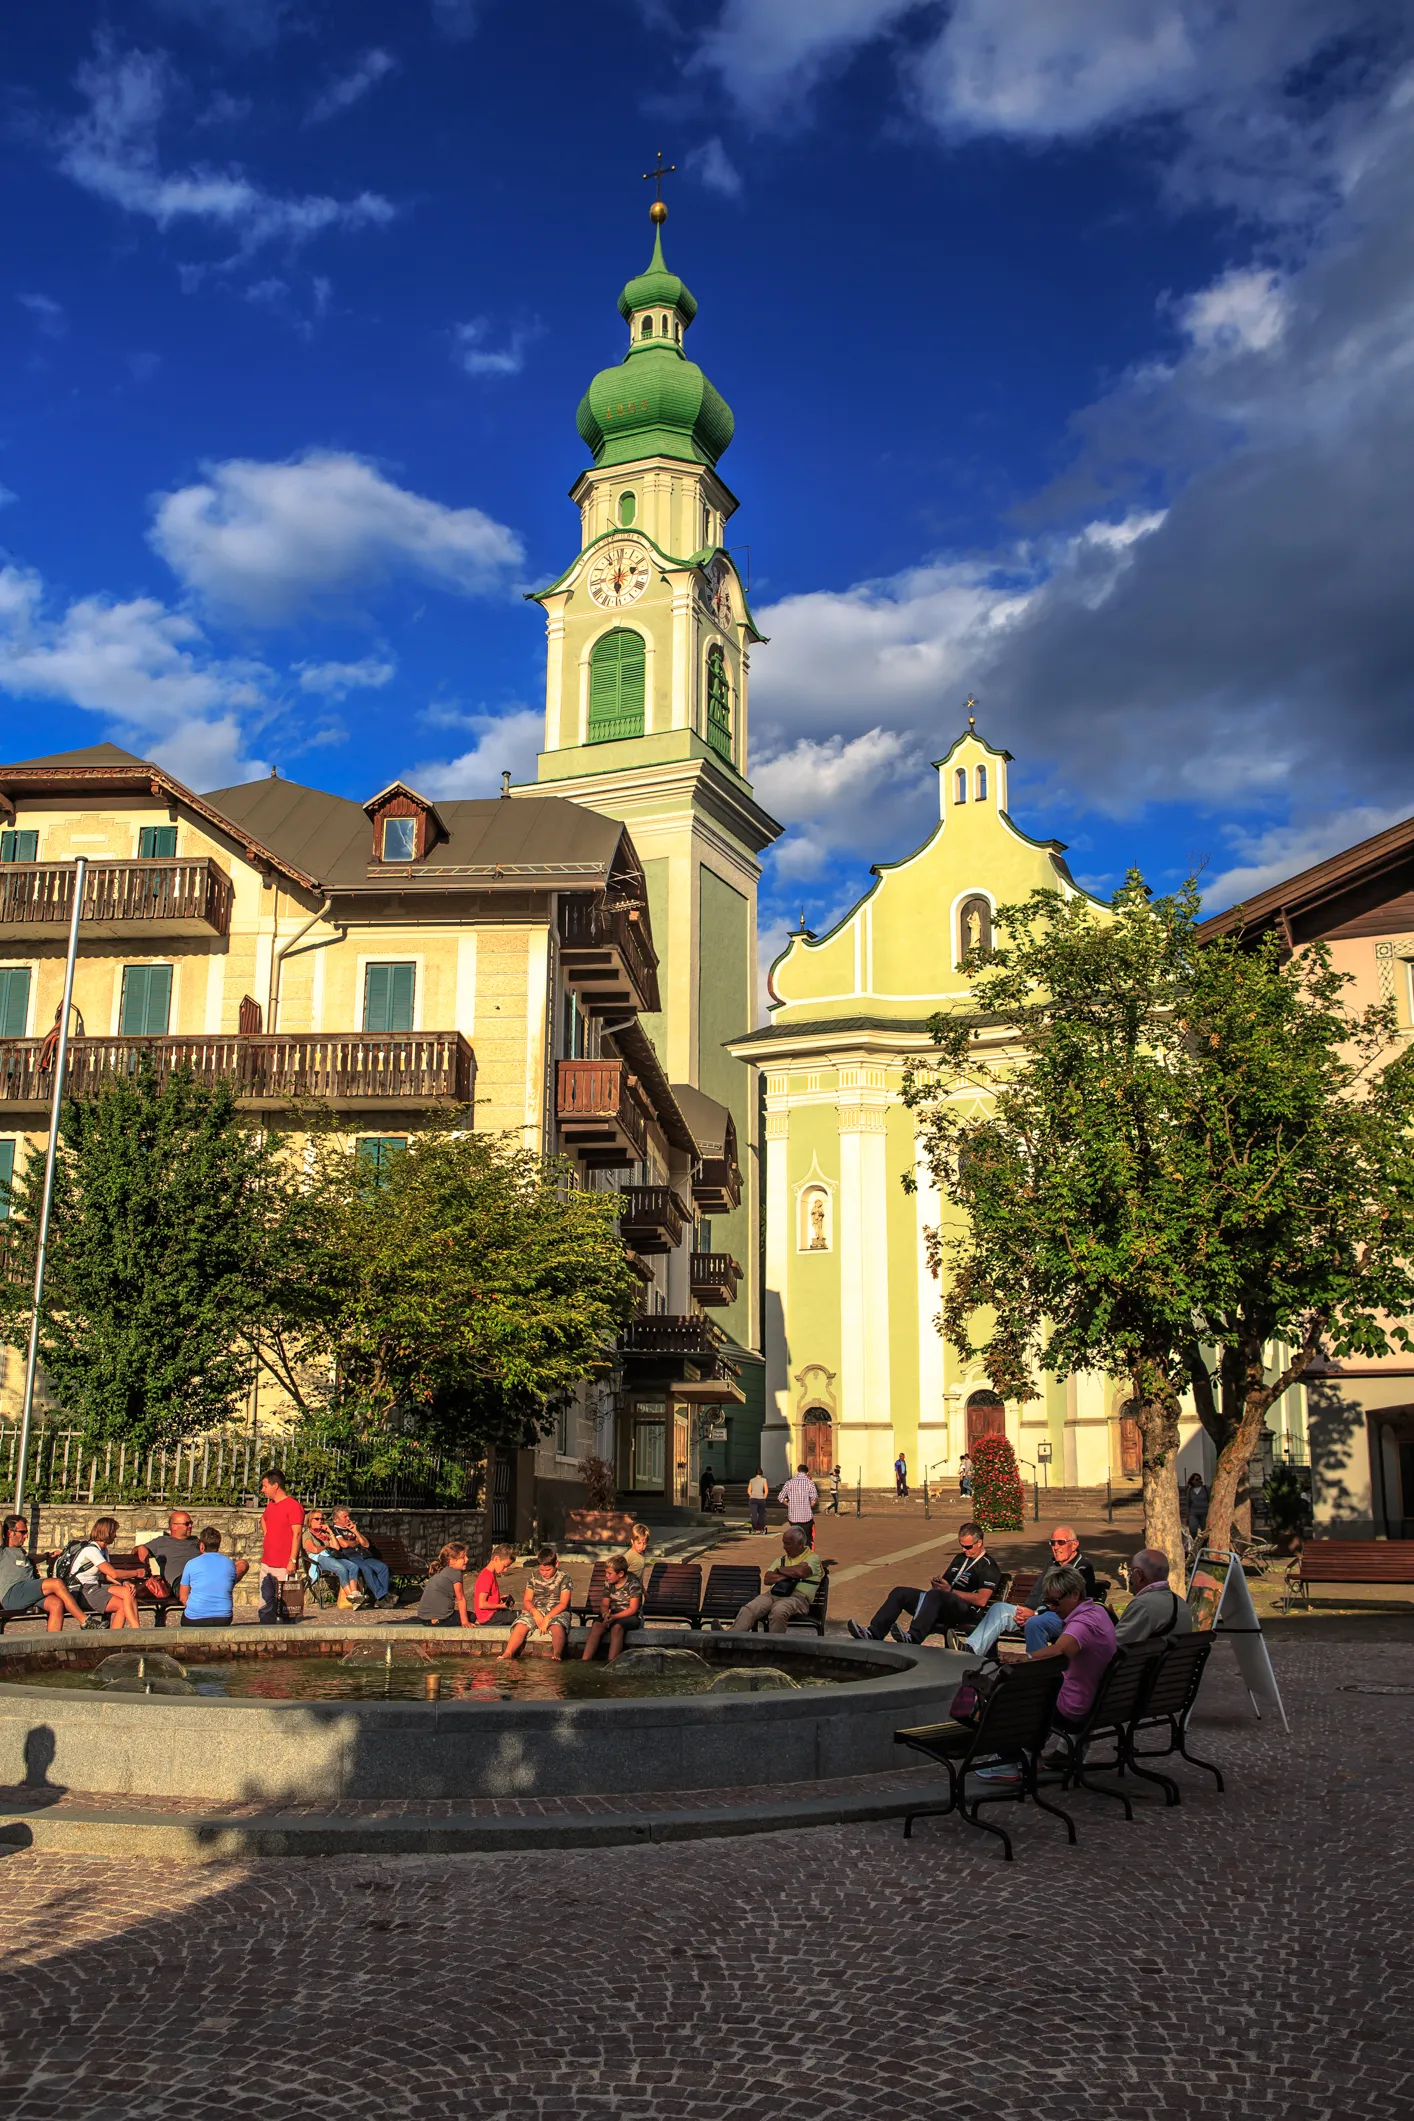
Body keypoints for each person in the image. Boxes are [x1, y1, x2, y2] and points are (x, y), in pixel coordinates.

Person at [848, 1521, 1003, 1645]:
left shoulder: (988, 1566)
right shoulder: (960, 1558)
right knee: (900, 1592)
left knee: (935, 1596)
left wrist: (949, 1591)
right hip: (942, 1602)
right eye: (961, 1545)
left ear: (979, 1543)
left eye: (968, 1546)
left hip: (965, 1611)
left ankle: (913, 1637)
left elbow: (982, 1600)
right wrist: (939, 1583)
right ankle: (874, 1633)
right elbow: (947, 1583)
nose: (964, 1550)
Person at [962, 1525, 1098, 1657]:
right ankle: (970, 1652)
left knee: (1035, 1623)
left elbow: (1066, 1601)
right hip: (1037, 1612)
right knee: (999, 1609)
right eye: (1052, 1543)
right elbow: (1037, 1591)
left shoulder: (1083, 1567)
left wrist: (1035, 1613)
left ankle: (1035, 1669)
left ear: (1074, 1545)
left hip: (1063, 1617)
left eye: (1061, 1542)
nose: (1056, 1547)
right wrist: (1024, 1611)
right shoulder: (1052, 1563)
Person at [1023, 1564, 1118, 1727]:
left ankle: (1018, 1751)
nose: (1051, 1608)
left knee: (1011, 1699)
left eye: (1054, 1602)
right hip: (1097, 1701)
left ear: (1075, 1594)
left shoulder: (1082, 1624)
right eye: (1047, 1602)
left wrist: (1024, 1658)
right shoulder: (1098, 1611)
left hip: (1073, 1707)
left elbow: (1059, 1651)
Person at [729, 1526, 823, 1633]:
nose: (784, 1547)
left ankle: (775, 1647)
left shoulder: (813, 1558)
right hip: (774, 1594)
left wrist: (780, 1571)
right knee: (750, 1608)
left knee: (778, 1610)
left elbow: (801, 1572)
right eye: (783, 1543)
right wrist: (787, 1573)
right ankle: (726, 1638)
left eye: (788, 1543)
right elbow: (768, 1578)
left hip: (798, 1598)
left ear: (800, 1544)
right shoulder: (781, 1560)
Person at [0, 1515, 85, 1633]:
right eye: (22, 1532)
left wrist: (46, 1556)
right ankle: (84, 1621)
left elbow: (29, 1558)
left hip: (28, 1592)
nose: (26, 1536)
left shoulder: (20, 1551)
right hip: (13, 1594)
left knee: (56, 1604)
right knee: (56, 1583)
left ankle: (52, 1647)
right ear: (10, 1533)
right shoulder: (2, 1552)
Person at [65, 1517, 144, 1630]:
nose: (115, 1536)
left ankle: (136, 1628)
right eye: (114, 1532)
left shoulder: (103, 1550)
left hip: (95, 1585)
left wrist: (124, 1582)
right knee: (121, 1606)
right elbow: (114, 1573)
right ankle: (117, 1638)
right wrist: (136, 1573)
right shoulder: (91, 1550)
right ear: (107, 1532)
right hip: (83, 1589)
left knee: (128, 1592)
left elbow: (107, 1575)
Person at [501, 1545, 573, 1661]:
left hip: (557, 1611)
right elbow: (527, 1600)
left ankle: (557, 1654)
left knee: (557, 1627)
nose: (544, 1573)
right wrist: (535, 1612)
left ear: (556, 1564)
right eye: (541, 1570)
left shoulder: (565, 1578)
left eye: (547, 1570)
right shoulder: (534, 1577)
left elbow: (563, 1604)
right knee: (521, 1625)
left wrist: (547, 1618)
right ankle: (508, 1653)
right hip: (537, 1610)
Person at [1114, 1548, 1194, 1649]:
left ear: (1138, 1575)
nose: (1130, 1577)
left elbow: (1114, 1645)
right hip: (1172, 1663)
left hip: (1150, 1663)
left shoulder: (1143, 1605)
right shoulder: (1180, 1602)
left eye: (1131, 1571)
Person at [257, 1469, 305, 1625]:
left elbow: (297, 1534)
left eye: (265, 1486)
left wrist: (292, 1559)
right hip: (267, 1562)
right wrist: (267, 1535)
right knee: (265, 1604)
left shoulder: (293, 1506)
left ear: (275, 1485)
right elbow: (263, 1519)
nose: (263, 1490)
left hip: (283, 1564)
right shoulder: (271, 1505)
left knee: (285, 1606)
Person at [177, 1528, 247, 1628]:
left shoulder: (191, 1564)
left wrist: (198, 1610)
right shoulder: (229, 1563)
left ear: (201, 1546)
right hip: (223, 1618)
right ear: (218, 1545)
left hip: (194, 1619)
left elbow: (183, 1598)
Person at [137, 1510, 202, 1618]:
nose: (190, 1526)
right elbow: (137, 1550)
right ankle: (198, 1617)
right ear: (174, 1526)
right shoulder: (161, 1542)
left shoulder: (196, 1542)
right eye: (187, 1524)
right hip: (179, 1581)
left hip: (199, 1577)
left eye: (191, 1523)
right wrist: (141, 1547)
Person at [581, 1553, 642, 1662]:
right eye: (606, 1573)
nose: (606, 1576)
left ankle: (611, 1661)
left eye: (609, 1573)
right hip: (612, 1613)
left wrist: (614, 1617)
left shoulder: (633, 1584)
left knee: (616, 1628)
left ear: (621, 1574)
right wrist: (605, 1614)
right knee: (597, 1625)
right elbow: (604, 1604)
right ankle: (585, 1660)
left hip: (629, 1615)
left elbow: (633, 1608)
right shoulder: (608, 1583)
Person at [418, 1542, 473, 1626]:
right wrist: (465, 1622)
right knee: (472, 1616)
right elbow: (460, 1598)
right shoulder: (455, 1572)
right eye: (463, 1557)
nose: (467, 1559)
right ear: (451, 1560)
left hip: (424, 1619)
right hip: (442, 1619)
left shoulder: (440, 1571)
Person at [472, 1543, 517, 1624]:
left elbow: (488, 1597)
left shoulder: (490, 1574)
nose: (506, 1570)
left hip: (491, 1615)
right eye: (505, 1566)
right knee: (523, 1614)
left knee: (521, 1614)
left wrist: (499, 1599)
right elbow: (482, 1604)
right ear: (496, 1559)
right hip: (489, 1617)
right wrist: (502, 1606)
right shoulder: (486, 1576)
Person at [778, 1464, 819, 1549]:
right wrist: (810, 1505)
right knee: (807, 1539)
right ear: (806, 1472)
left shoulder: (789, 1482)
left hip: (794, 1517)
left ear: (798, 1471)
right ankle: (807, 1558)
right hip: (806, 1516)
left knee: (795, 1539)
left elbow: (780, 1497)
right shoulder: (810, 1483)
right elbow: (814, 1498)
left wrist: (789, 1504)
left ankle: (796, 1556)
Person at [1185, 1472, 1210, 1537]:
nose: (1198, 1481)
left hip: (1204, 1513)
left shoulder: (1205, 1488)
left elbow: (1210, 1500)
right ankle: (1194, 1542)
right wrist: (1187, 1515)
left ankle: (1204, 1544)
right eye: (1196, 1479)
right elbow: (1188, 1503)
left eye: (1199, 1479)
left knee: (1204, 1530)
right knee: (1193, 1529)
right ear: (1192, 1481)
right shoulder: (1189, 1490)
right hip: (1193, 1513)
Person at [746, 1468, 770, 1533]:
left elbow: (748, 1491)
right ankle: (762, 1529)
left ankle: (754, 1529)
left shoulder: (751, 1480)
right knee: (761, 1515)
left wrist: (752, 1495)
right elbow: (766, 1490)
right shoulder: (764, 1480)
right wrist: (764, 1497)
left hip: (753, 1499)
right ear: (762, 1473)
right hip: (761, 1499)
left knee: (754, 1515)